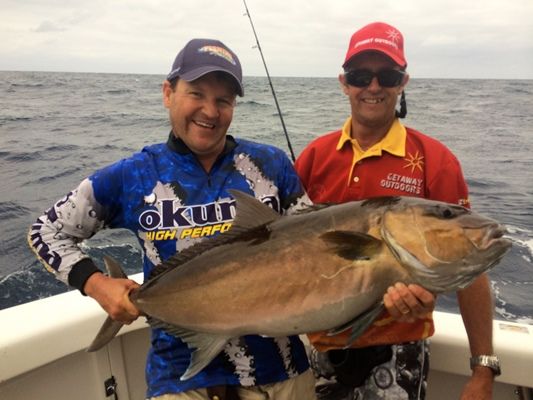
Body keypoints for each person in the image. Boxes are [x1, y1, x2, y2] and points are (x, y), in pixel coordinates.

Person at [28, 38, 318, 400]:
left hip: (281, 371)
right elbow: (47, 230)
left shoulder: (271, 166)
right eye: (196, 93)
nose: (210, 111)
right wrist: (97, 284)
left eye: (223, 100)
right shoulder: (134, 175)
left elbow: (315, 249)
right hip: (179, 378)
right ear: (168, 92)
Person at [295, 22, 500, 400]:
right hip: (318, 349)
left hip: (397, 352)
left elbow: (470, 267)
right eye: (360, 76)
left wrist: (483, 368)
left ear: (402, 81)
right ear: (344, 83)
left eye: (386, 76)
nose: (373, 87)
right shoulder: (315, 157)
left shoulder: (434, 161)